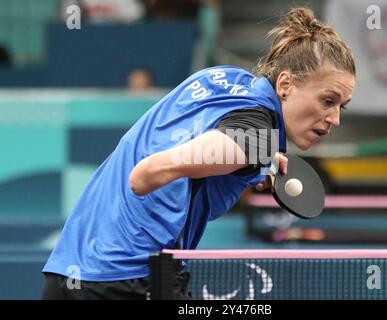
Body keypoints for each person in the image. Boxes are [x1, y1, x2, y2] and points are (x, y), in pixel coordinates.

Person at [42, 7, 355, 300]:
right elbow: (190, 157)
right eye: (328, 101)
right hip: (129, 279)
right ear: (285, 84)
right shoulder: (258, 138)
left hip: (70, 269)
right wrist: (163, 168)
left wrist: (258, 162)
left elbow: (214, 132)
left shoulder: (224, 79)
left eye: (342, 106)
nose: (335, 119)